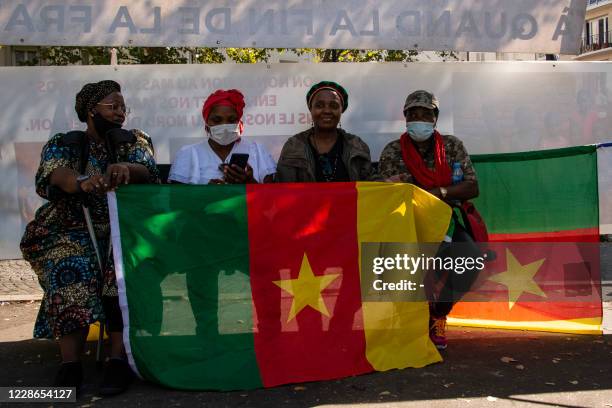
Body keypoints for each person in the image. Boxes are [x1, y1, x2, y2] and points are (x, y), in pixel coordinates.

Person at [20, 80, 159, 395]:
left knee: (119, 273)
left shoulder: (135, 140)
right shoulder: (64, 143)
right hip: (70, 227)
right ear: (90, 110)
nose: (120, 112)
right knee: (70, 268)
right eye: (113, 105)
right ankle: (70, 364)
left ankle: (117, 360)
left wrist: (126, 168)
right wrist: (80, 181)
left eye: (123, 106)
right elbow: (53, 176)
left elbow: (147, 169)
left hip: (122, 226)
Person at [378, 90, 480, 350]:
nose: (419, 118)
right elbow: (390, 193)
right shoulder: (392, 151)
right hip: (406, 223)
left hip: (445, 219)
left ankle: (439, 313)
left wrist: (439, 193)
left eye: (425, 113)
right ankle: (409, 325)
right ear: (405, 117)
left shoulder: (452, 146)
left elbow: (472, 187)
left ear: (435, 117)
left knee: (470, 260)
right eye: (413, 113)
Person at [168, 89, 276, 184]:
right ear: (206, 124)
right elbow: (175, 200)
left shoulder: (257, 151)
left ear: (239, 122)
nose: (224, 126)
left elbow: (271, 198)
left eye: (231, 120)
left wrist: (249, 182)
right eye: (217, 120)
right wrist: (206, 193)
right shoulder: (188, 153)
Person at [276, 81, 372, 182]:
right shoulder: (293, 146)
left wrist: (387, 183)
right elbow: (283, 190)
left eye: (334, 106)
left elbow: (370, 184)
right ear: (311, 109)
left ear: (341, 110)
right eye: (319, 105)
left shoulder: (357, 145)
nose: (327, 111)